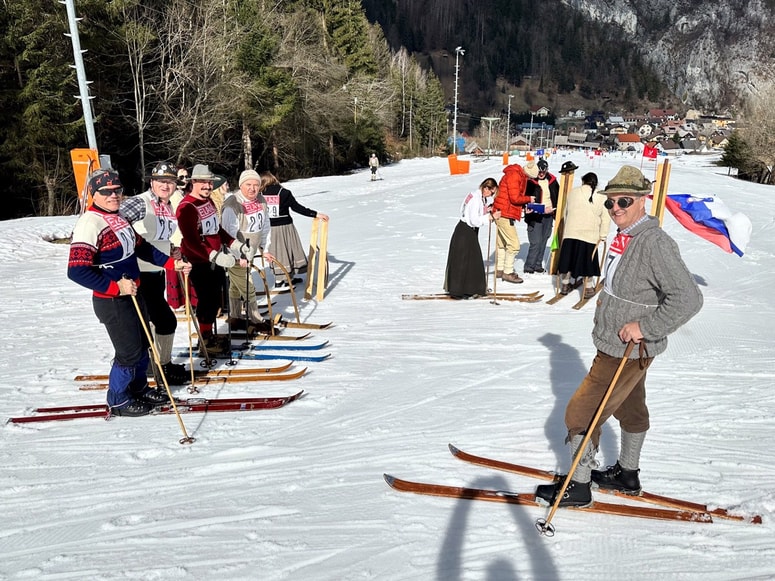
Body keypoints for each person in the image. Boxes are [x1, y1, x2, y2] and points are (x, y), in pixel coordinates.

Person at [535, 165, 703, 507]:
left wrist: (645, 327)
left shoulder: (654, 243)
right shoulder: (627, 236)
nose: (615, 208)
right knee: (631, 406)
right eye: (610, 202)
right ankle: (627, 475)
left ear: (643, 200)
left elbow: (688, 298)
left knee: (581, 412)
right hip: (623, 347)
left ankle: (578, 485)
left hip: (624, 349)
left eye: (624, 201)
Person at [67, 169, 191, 417]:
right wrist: (116, 287)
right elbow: (76, 270)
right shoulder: (90, 223)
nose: (113, 195)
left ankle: (139, 388)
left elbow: (141, 248)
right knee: (128, 352)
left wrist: (171, 263)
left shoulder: (118, 217)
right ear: (93, 194)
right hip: (112, 301)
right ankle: (118, 399)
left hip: (134, 294)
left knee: (144, 344)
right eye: (106, 192)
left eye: (117, 190)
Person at [119, 162, 188, 385]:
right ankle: (154, 366)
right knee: (160, 321)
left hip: (158, 271)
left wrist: (171, 248)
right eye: (160, 181)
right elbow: (114, 223)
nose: (165, 186)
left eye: (170, 182)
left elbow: (158, 236)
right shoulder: (140, 202)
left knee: (161, 321)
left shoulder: (167, 205)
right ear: (152, 182)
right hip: (139, 273)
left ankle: (161, 364)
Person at [176, 164, 249, 356]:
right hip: (199, 261)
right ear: (193, 182)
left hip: (215, 259)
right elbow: (191, 240)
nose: (207, 186)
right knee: (206, 301)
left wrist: (235, 244)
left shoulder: (207, 202)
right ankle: (205, 340)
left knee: (215, 299)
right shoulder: (187, 207)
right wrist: (213, 255)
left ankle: (210, 335)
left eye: (209, 182)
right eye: (203, 182)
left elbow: (217, 230)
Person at [221, 170, 277, 333]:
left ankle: (235, 316)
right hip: (235, 254)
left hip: (250, 251)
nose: (252, 188)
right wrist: (237, 256)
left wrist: (264, 248)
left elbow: (264, 226)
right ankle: (256, 319)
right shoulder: (233, 204)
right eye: (248, 185)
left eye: (256, 185)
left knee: (235, 285)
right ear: (241, 185)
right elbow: (228, 234)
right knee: (247, 285)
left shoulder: (261, 200)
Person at [260, 170, 329, 288]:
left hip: (268, 229)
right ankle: (285, 279)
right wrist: (315, 214)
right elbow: (297, 208)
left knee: (275, 253)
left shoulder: (260, 195)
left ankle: (280, 279)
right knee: (288, 251)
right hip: (285, 227)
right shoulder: (284, 192)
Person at [443, 177, 501, 299]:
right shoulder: (475, 198)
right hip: (465, 232)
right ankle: (459, 290)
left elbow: (470, 212)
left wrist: (486, 210)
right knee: (463, 261)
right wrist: (490, 217)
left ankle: (470, 288)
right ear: (486, 188)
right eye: (491, 192)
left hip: (467, 231)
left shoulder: (478, 196)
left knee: (471, 261)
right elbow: (474, 220)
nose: (491, 195)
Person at [557, 172, 611, 298]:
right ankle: (588, 288)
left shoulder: (573, 192)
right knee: (588, 261)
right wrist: (603, 235)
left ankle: (565, 284)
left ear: (583, 181)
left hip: (571, 232)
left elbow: (566, 213)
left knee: (568, 259)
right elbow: (606, 217)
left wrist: (567, 229)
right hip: (589, 235)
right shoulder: (601, 196)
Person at [492, 162, 532, 283]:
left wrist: (523, 208)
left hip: (501, 211)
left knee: (502, 243)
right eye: (531, 177)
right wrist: (529, 199)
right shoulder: (515, 176)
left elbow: (510, 198)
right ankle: (508, 272)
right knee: (514, 245)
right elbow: (515, 198)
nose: (530, 179)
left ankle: (500, 269)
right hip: (504, 214)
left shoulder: (515, 174)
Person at [523, 158, 559, 273]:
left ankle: (537, 264)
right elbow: (526, 201)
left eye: (544, 171)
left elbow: (558, 196)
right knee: (536, 242)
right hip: (535, 216)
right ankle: (529, 265)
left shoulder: (553, 181)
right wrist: (542, 209)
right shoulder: (531, 182)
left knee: (544, 240)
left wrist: (556, 211)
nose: (541, 174)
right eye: (539, 171)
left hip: (549, 215)